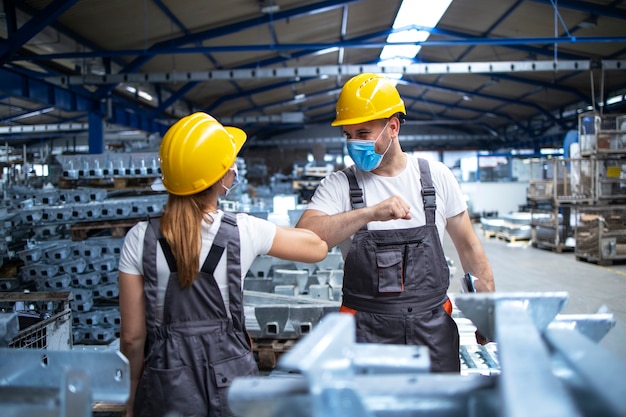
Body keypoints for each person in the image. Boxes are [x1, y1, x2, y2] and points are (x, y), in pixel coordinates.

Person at [118, 112, 329, 417]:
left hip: (166, 383)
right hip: (231, 384)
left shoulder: (139, 238)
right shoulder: (244, 231)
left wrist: (131, 395)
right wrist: (361, 211)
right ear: (222, 177)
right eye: (230, 164)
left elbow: (132, 338)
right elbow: (317, 248)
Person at [296, 73, 495, 373]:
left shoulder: (435, 178)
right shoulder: (339, 185)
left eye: (363, 133)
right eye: (348, 136)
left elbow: (469, 248)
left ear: (393, 127)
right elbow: (305, 236)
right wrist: (369, 213)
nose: (354, 144)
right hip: (366, 336)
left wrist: (487, 311)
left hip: (433, 333)